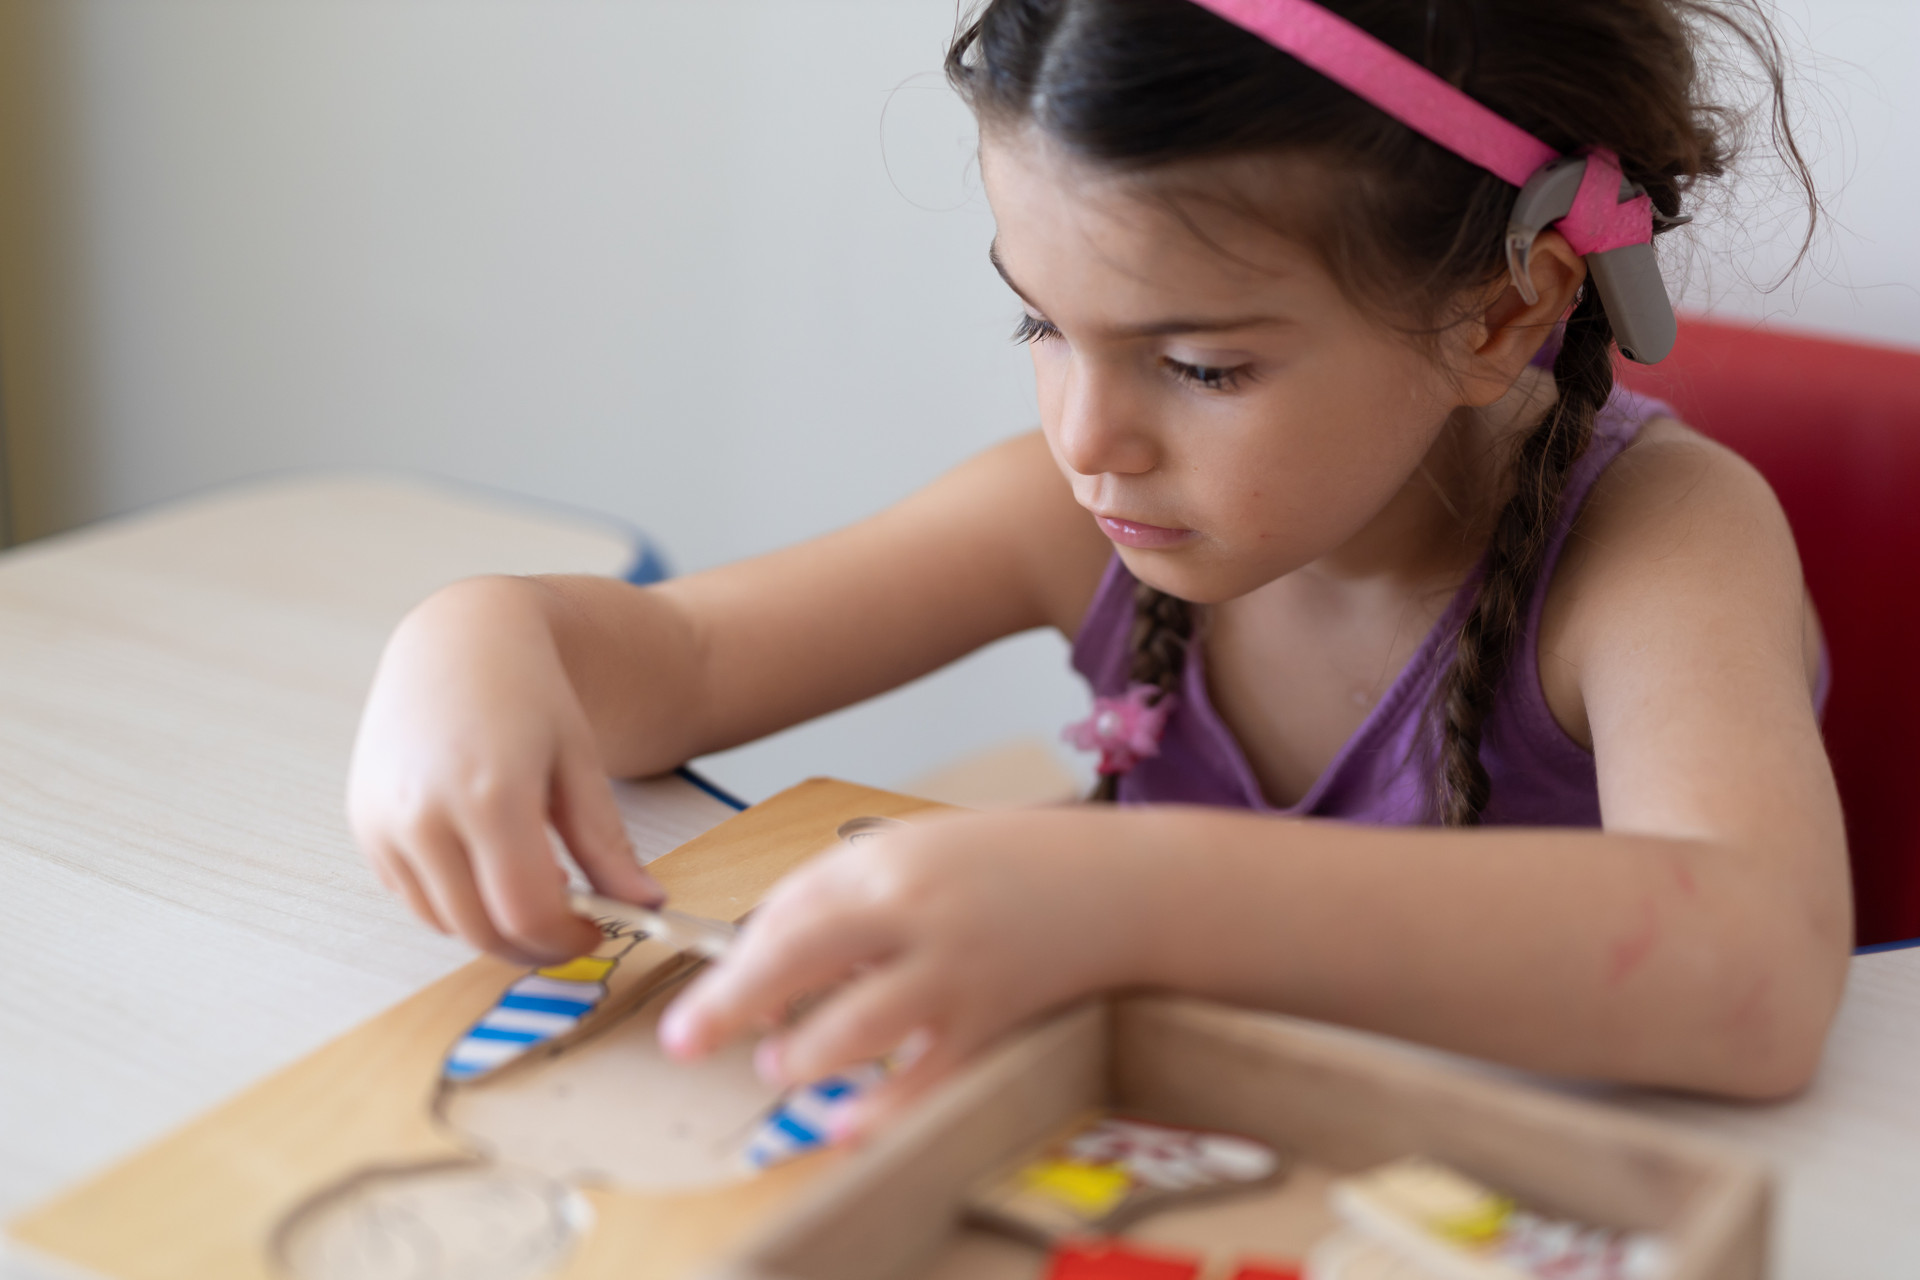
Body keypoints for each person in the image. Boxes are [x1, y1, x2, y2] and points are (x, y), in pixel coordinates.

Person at [347, 0, 1848, 1140]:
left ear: (1505, 316)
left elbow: (1762, 972)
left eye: (1199, 366)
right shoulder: (1065, 511)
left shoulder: (1661, 545)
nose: (1085, 439)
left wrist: (1126, 892)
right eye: (1040, 324)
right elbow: (682, 668)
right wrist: (477, 640)